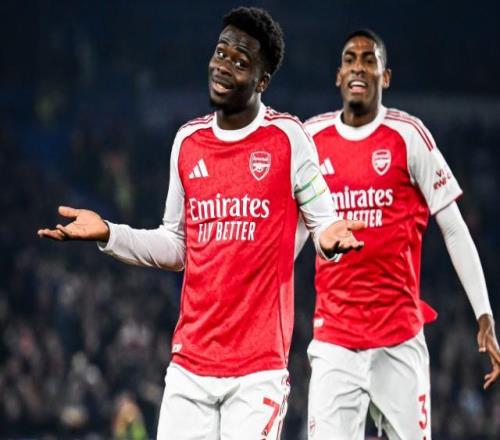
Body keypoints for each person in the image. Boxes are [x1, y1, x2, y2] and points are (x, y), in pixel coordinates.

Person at [38, 8, 364, 439]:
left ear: (262, 81)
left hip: (257, 372)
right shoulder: (188, 142)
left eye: (241, 61)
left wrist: (330, 238)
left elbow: (322, 222)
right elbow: (176, 246)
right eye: (221, 52)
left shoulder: (288, 138)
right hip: (189, 368)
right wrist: (109, 233)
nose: (224, 65)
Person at [298, 29, 500, 439]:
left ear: (385, 76)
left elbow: (454, 228)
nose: (358, 67)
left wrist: (484, 314)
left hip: (399, 341)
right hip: (335, 343)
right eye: (350, 60)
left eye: (368, 60)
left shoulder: (409, 135)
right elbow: (294, 233)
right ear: (338, 75)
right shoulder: (310, 139)